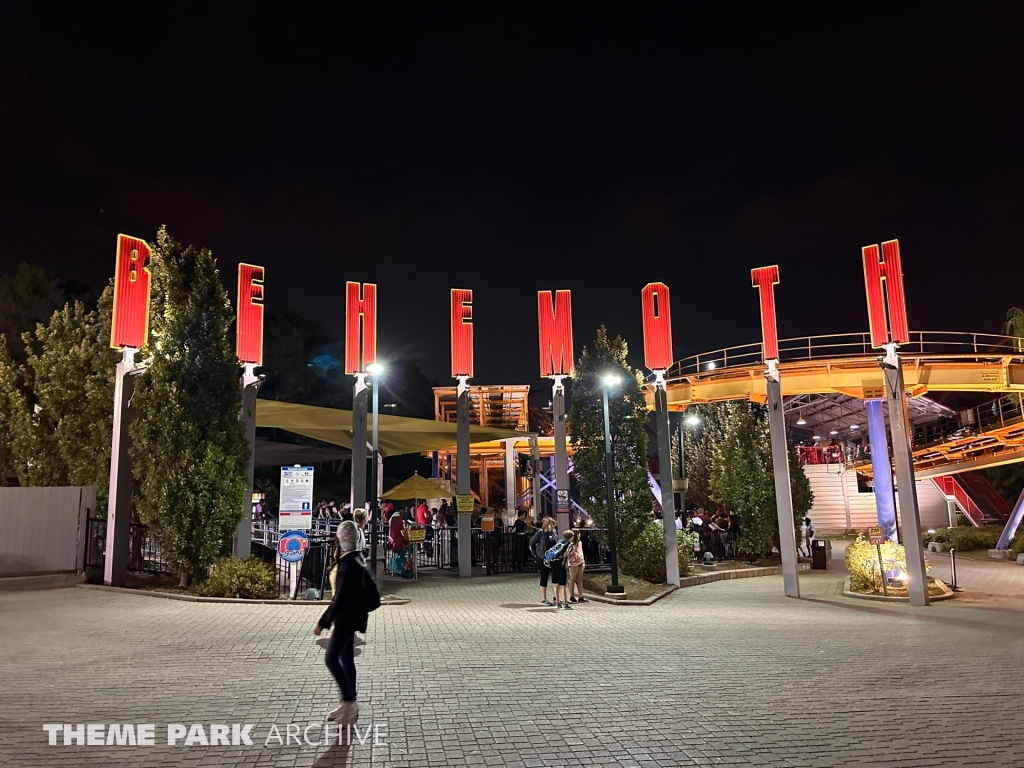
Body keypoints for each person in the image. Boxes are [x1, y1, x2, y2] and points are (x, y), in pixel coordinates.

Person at [313, 521, 378, 724]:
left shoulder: (348, 564)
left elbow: (339, 598)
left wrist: (323, 622)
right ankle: (348, 702)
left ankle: (349, 700)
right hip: (352, 618)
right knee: (346, 659)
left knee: (331, 658)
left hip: (345, 620)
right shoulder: (358, 559)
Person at [529, 517, 558, 605]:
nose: (552, 526)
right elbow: (532, 542)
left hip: (552, 557)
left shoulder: (554, 532)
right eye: (550, 524)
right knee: (544, 576)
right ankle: (544, 598)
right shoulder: (540, 533)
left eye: (553, 524)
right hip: (542, 557)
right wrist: (534, 554)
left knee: (556, 576)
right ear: (546, 525)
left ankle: (556, 597)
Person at [550, 529, 573, 609]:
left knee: (556, 584)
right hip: (561, 566)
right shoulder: (568, 544)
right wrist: (569, 548)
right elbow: (564, 555)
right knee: (563, 586)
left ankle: (557, 602)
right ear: (571, 537)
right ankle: (565, 603)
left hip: (554, 565)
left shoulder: (560, 542)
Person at [388, 506, 411, 577]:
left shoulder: (393, 518)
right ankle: (401, 567)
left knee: (397, 554)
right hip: (398, 540)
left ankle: (394, 568)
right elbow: (400, 530)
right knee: (405, 549)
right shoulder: (397, 519)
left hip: (393, 539)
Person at [566, 527, 587, 603]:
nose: (579, 535)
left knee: (580, 579)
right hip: (573, 562)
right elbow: (570, 553)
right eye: (578, 534)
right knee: (573, 578)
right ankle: (572, 596)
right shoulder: (571, 543)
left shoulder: (579, 542)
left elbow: (581, 552)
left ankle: (581, 596)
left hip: (580, 561)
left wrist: (583, 561)